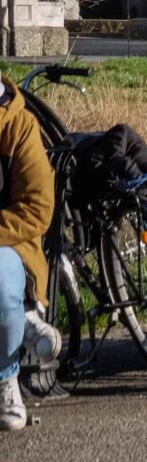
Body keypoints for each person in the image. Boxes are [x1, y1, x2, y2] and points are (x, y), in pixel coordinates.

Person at [0, 75, 59, 431]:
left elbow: (37, 209)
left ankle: (5, 380)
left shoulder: (19, 125)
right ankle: (25, 324)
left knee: (1, 281)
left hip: (10, 243)